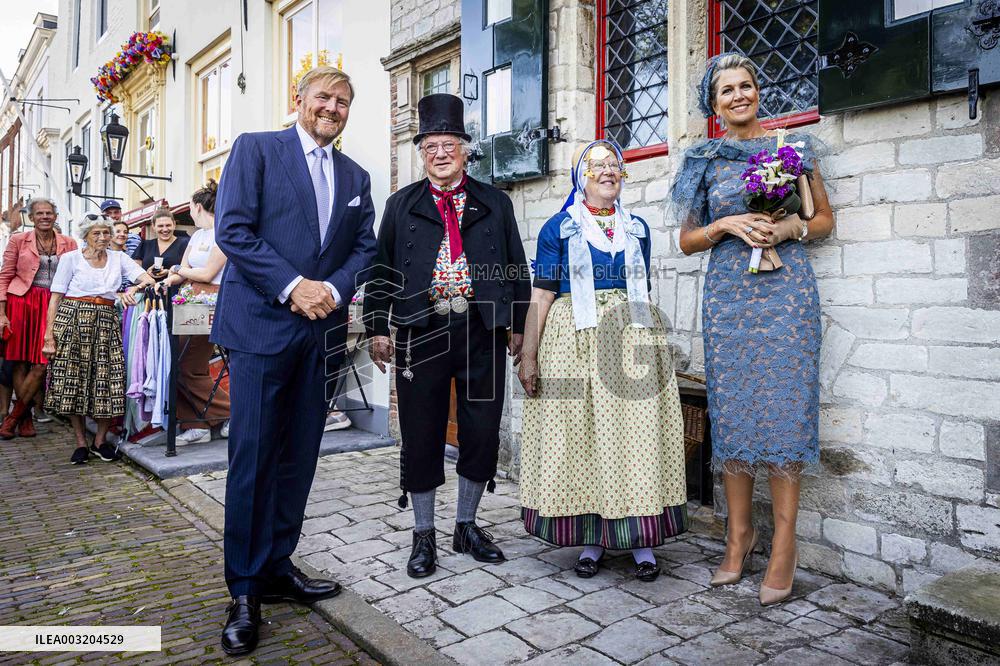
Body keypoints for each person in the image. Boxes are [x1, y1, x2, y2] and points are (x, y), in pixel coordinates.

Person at [212, 65, 376, 656]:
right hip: (259, 329)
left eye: (344, 101)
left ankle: (278, 565)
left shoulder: (356, 176)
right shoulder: (256, 150)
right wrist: (293, 286)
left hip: (320, 335)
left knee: (300, 455)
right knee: (253, 458)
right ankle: (245, 588)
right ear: (298, 99)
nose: (333, 108)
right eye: (324, 97)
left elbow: (365, 247)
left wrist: (332, 289)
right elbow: (233, 231)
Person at [671, 53, 835, 606]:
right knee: (735, 411)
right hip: (728, 298)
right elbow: (686, 240)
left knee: (786, 410)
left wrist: (789, 225)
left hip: (786, 295)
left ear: (758, 91)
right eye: (726, 91)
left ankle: (784, 544)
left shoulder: (793, 149)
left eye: (746, 86)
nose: (738, 95)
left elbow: (825, 220)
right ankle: (738, 537)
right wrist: (724, 224)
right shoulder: (703, 160)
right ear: (713, 105)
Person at [365, 93, 531, 580]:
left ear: (465, 149)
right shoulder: (401, 205)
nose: (440, 153)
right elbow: (381, 271)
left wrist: (518, 324)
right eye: (431, 145)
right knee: (421, 435)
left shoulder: (495, 203)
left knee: (481, 430)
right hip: (422, 330)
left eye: (449, 144)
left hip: (482, 329)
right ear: (422, 152)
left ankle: (466, 525)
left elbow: (516, 266)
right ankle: (423, 535)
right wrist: (378, 327)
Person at [517, 140, 688, 583]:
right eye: (598, 166)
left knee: (634, 435)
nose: (609, 171)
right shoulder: (560, 227)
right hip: (574, 339)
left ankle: (640, 540)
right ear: (582, 177)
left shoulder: (638, 228)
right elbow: (543, 293)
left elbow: (642, 290)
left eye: (615, 165)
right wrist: (528, 356)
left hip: (630, 336)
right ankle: (593, 539)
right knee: (587, 436)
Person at [40, 214, 156, 463]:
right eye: (97, 233)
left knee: (108, 379)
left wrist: (132, 289)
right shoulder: (70, 259)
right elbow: (55, 298)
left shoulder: (119, 258)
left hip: (105, 319)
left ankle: (100, 441)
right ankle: (81, 442)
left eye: (106, 232)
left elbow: (147, 278)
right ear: (86, 236)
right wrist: (49, 336)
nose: (103, 237)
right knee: (74, 381)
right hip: (72, 319)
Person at [0, 198, 78, 438]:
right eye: (39, 213)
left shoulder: (69, 242)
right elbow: (5, 276)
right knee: (20, 361)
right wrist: (2, 313)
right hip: (22, 302)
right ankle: (25, 421)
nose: (45, 217)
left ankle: (15, 414)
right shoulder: (17, 240)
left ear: (55, 216)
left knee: (42, 363)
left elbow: (77, 273)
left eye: (49, 213)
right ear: (31, 218)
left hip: (54, 304)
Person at [161, 180, 230, 445]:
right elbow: (185, 268)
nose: (189, 212)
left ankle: (230, 412)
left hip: (211, 303)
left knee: (186, 364)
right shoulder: (197, 236)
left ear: (199, 207)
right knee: (176, 362)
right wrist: (167, 279)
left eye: (190, 207)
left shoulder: (222, 234)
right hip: (189, 299)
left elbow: (207, 273)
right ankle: (196, 423)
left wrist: (179, 271)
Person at [131, 208, 189, 282]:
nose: (165, 229)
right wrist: (146, 274)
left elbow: (191, 270)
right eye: (160, 226)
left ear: (174, 225)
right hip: (149, 291)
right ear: (153, 227)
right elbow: (134, 273)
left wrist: (169, 272)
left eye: (168, 225)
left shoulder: (186, 244)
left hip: (176, 291)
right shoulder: (145, 245)